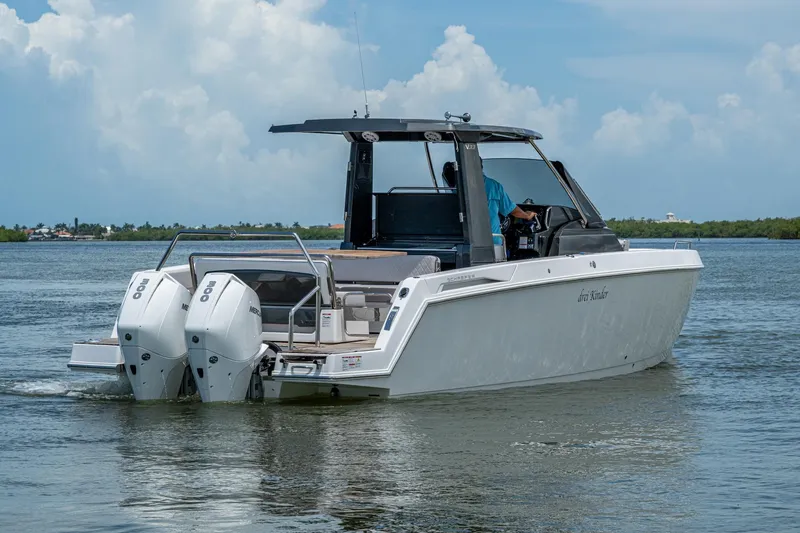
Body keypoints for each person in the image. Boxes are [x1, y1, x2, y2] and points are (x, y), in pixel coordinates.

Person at [441, 160, 535, 243]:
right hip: (491, 242)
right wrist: (527, 215)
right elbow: (512, 210)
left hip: (462, 241)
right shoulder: (493, 186)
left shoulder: (457, 189)